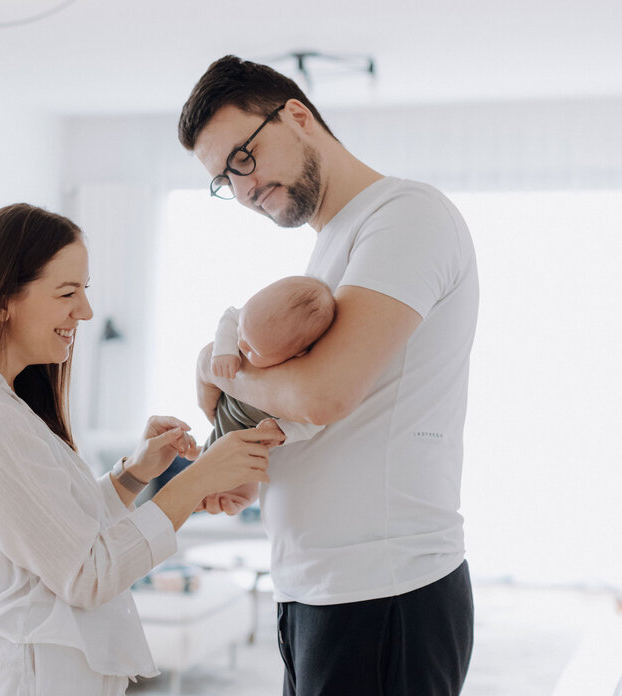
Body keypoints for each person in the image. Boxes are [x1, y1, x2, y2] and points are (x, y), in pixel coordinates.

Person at [179, 56, 479, 695]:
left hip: (385, 589)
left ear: (296, 115)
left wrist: (219, 369)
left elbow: (323, 394)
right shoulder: (333, 244)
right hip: (322, 590)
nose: (243, 188)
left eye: (243, 158)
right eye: (223, 181)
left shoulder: (405, 215)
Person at [0, 203, 284, 695]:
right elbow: (87, 574)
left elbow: (60, 536)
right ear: (2, 300)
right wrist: (199, 478)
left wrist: (135, 474)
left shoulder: (3, 408)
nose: (85, 310)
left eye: (85, 289)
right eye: (67, 292)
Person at [208, 274, 335, 446]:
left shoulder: (297, 382)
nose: (241, 345)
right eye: (240, 333)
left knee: (218, 454)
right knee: (212, 447)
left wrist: (281, 430)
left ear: (297, 353)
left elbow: (313, 423)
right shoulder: (252, 321)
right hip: (226, 407)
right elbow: (230, 316)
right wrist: (223, 351)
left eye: (253, 350)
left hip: (242, 431)